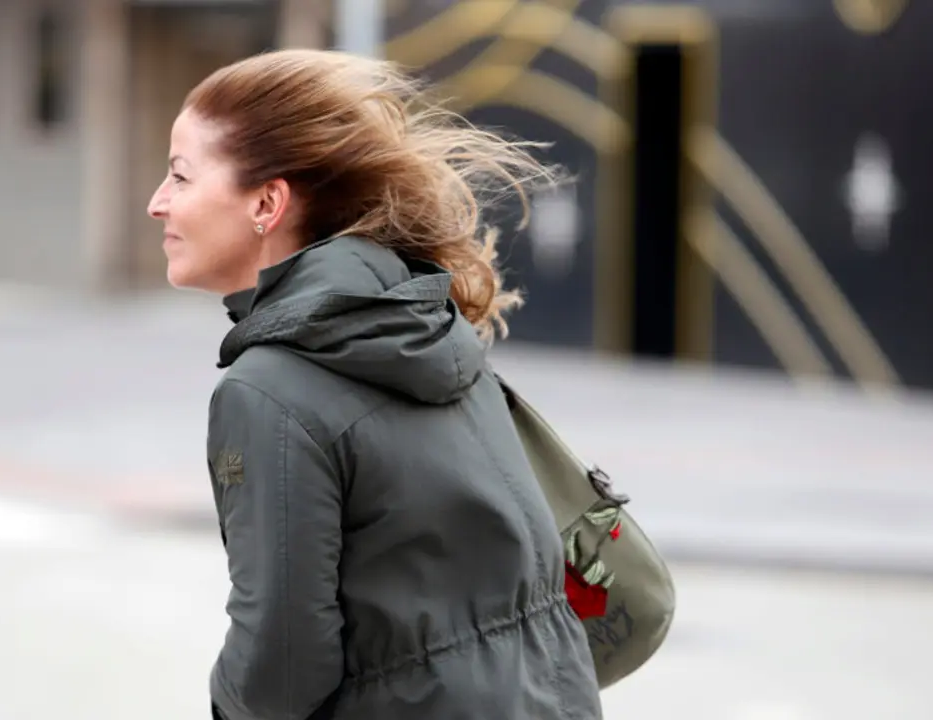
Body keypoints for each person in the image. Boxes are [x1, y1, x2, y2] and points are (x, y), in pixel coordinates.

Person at [146, 49, 603, 720]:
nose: (158, 204)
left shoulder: (268, 388)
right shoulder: (427, 319)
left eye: (180, 177)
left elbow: (281, 671)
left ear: (268, 203)